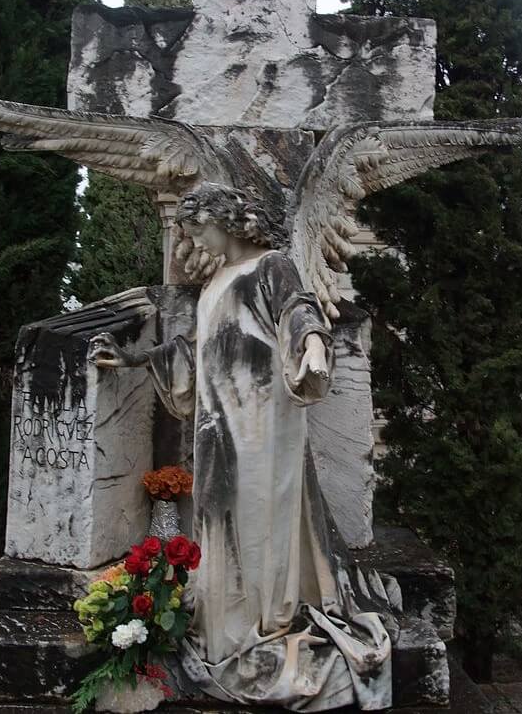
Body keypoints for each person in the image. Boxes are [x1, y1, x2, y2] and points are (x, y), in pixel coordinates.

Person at [89, 183, 392, 711]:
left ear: (224, 220)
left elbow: (300, 312)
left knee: (258, 519)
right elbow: (199, 347)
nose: (194, 242)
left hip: (262, 424)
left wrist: (314, 347)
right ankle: (224, 625)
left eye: (198, 229)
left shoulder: (272, 266)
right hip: (216, 427)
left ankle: (264, 622)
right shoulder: (213, 283)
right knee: (218, 521)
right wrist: (138, 358)